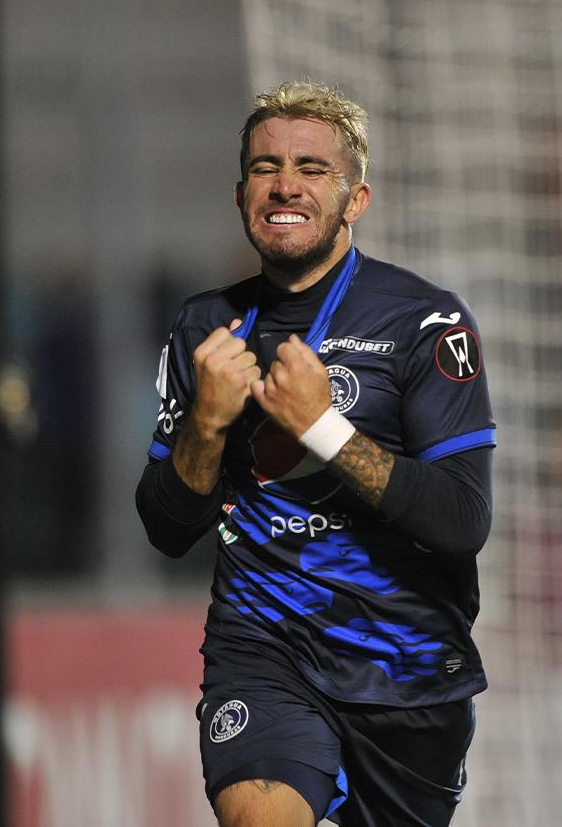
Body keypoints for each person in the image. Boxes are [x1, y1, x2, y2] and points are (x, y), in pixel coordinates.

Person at [135, 80, 495, 827]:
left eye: (311, 168)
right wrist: (204, 424)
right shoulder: (204, 328)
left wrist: (324, 429)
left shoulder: (425, 322)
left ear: (355, 200)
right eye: (265, 168)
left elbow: (462, 520)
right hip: (264, 647)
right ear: (241, 196)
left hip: (409, 664)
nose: (285, 185)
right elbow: (168, 530)